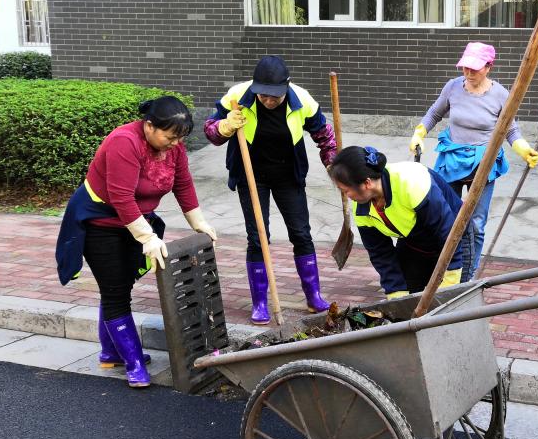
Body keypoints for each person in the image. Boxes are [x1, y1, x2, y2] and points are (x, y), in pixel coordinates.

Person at [55, 96, 216, 389]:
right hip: (99, 222)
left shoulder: (173, 147)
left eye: (179, 139)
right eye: (169, 137)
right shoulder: (124, 142)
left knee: (120, 285)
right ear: (149, 126)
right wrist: (148, 237)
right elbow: (121, 198)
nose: (174, 144)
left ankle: (110, 352)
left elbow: (183, 183)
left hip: (135, 219)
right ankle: (134, 363)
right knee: (115, 290)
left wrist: (198, 221)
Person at [205, 55, 337, 322]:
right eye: (263, 95)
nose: (268, 100)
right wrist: (226, 126)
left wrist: (335, 168)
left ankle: (313, 296)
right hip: (252, 175)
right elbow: (210, 132)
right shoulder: (238, 96)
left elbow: (325, 136)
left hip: (289, 174)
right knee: (258, 236)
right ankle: (259, 304)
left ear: (286, 87)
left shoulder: (303, 100)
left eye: (274, 96)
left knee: (301, 233)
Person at [408, 41, 538, 281]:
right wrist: (419, 133)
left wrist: (523, 149)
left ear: (489, 67)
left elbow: (510, 129)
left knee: (476, 224)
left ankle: (468, 275)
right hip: (452, 160)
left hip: (483, 162)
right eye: (465, 67)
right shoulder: (453, 87)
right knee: (446, 217)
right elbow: (434, 114)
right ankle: (445, 268)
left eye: (475, 68)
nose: (468, 73)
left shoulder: (500, 94)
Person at [330, 146, 463, 299]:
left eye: (346, 190)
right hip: (415, 243)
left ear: (367, 183)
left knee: (452, 303)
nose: (346, 196)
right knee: (407, 300)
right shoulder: (361, 206)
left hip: (455, 238)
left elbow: (448, 234)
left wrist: (449, 281)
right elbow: (380, 252)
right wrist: (396, 294)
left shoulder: (411, 183)